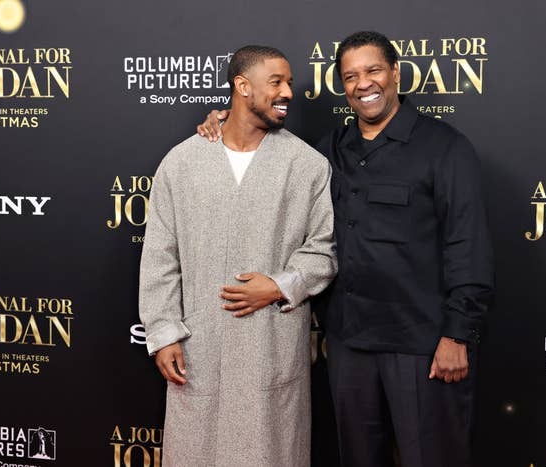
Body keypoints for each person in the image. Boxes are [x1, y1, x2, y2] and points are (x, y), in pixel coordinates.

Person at [198, 31, 494, 467]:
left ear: (395, 72)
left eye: (373, 70)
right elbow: (267, 148)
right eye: (350, 76)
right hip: (350, 344)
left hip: (422, 344)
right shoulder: (330, 149)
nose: (363, 84)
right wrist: (225, 122)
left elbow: (467, 245)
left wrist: (456, 334)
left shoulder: (445, 148)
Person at [140, 45, 337, 467]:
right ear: (242, 87)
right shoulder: (182, 162)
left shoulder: (307, 165)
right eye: (277, 82)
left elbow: (324, 251)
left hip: (271, 348)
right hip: (198, 349)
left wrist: (280, 285)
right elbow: (160, 255)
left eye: (289, 81)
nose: (288, 91)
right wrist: (163, 332)